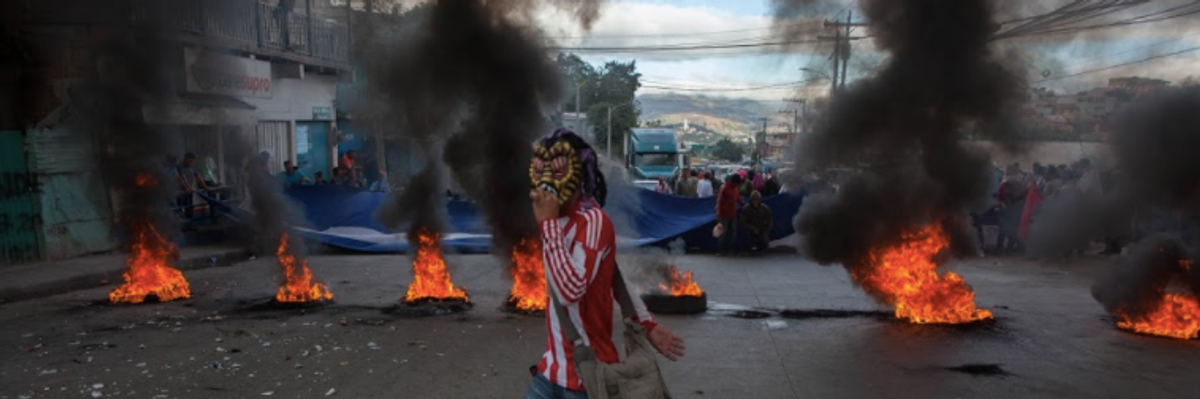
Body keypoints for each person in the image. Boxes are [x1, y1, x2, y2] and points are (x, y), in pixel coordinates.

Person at [526, 128, 685, 399]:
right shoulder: (555, 221)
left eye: (558, 172)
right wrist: (646, 322)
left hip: (586, 379)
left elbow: (570, 291)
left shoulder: (592, 221)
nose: (547, 183)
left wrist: (548, 224)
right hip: (549, 371)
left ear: (579, 173)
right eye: (540, 172)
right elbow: (612, 274)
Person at [716, 174, 744, 256]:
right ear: (733, 182)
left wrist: (744, 205)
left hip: (733, 213)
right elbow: (719, 201)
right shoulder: (724, 187)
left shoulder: (735, 188)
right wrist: (718, 213)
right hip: (724, 214)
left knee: (733, 232)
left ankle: (731, 248)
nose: (737, 185)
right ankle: (721, 249)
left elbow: (738, 198)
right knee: (723, 232)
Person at [176, 152, 211, 219]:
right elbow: (182, 177)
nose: (191, 162)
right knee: (179, 209)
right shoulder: (180, 166)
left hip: (189, 192)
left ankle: (189, 221)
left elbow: (198, 177)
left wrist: (205, 187)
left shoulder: (193, 167)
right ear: (186, 159)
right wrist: (187, 187)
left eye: (193, 161)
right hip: (180, 192)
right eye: (190, 161)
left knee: (189, 209)